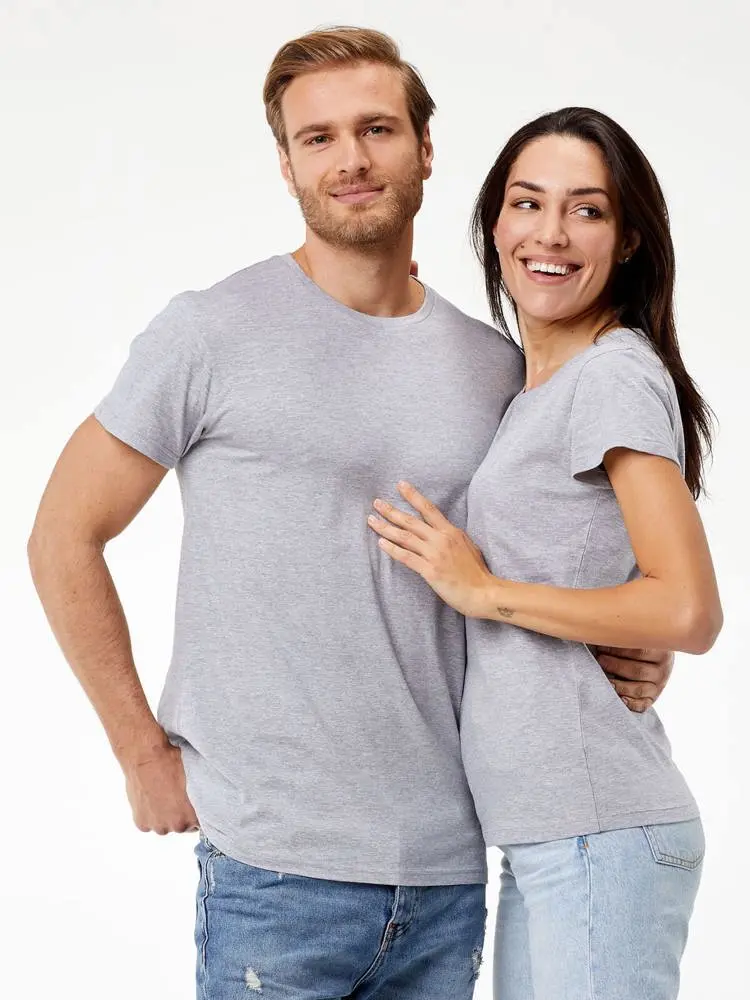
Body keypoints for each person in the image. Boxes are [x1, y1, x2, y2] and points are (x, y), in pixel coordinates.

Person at [28, 28, 674, 999]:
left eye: (376, 128)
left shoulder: (495, 366)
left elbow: (541, 557)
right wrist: (138, 750)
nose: (352, 159)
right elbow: (62, 535)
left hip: (452, 869)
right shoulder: (210, 332)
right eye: (318, 137)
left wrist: (635, 639)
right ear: (285, 164)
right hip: (274, 871)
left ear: (425, 147)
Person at [368, 107, 722, 999]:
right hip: (545, 836)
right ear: (494, 224)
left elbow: (687, 609)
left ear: (629, 239)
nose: (551, 234)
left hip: (598, 832)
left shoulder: (612, 376)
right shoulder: (537, 391)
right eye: (527, 203)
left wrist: (484, 591)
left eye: (587, 210)